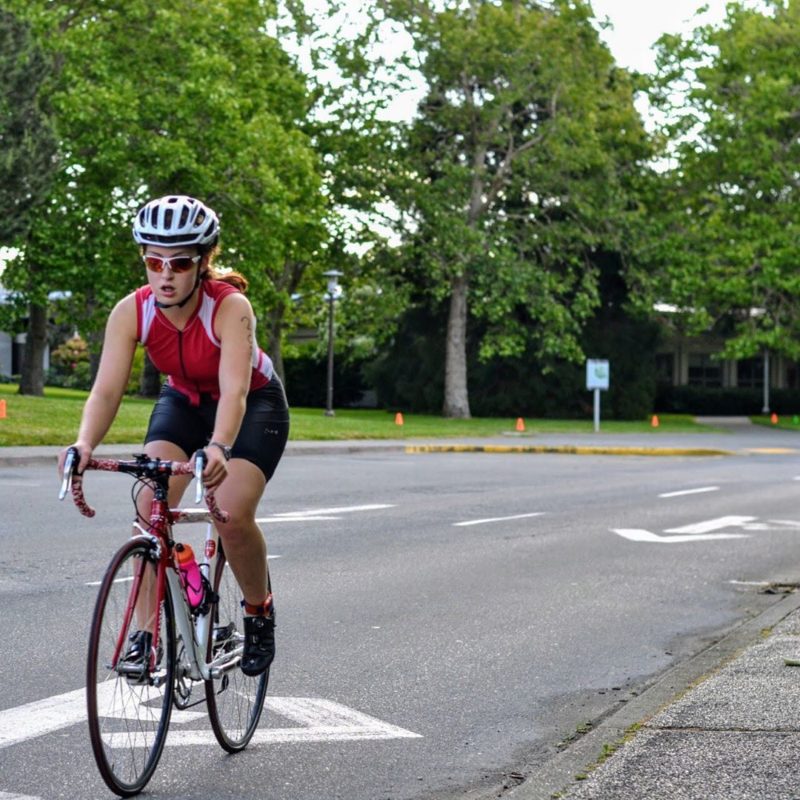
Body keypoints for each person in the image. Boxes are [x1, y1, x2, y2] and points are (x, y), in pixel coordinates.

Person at [58, 194, 290, 676]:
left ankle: (257, 609)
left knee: (229, 513)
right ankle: (145, 636)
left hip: (252, 406)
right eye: (153, 261)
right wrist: (84, 444)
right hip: (183, 401)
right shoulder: (131, 311)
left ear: (203, 262)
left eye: (180, 262)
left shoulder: (231, 307)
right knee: (148, 510)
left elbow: (234, 392)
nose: (165, 274)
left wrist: (220, 446)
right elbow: (105, 392)